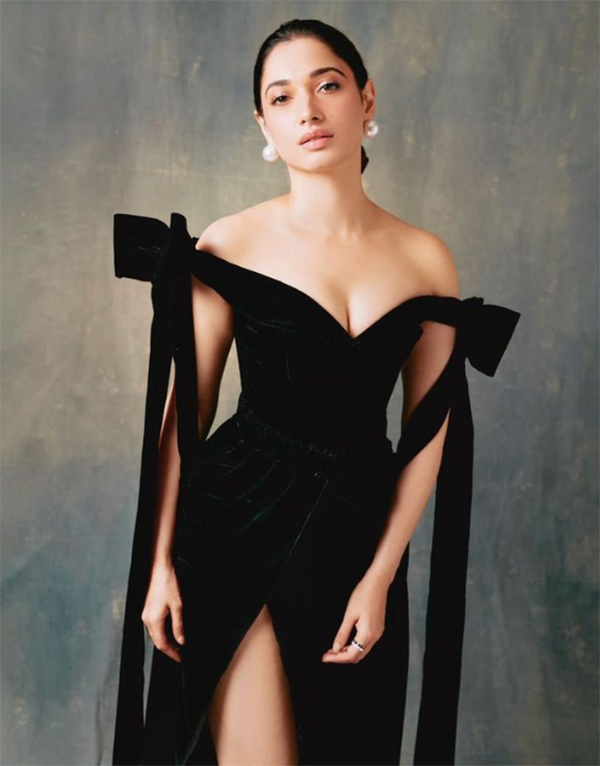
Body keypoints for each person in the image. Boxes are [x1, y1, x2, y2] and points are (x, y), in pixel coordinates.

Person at [110, 18, 521, 766]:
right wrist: (160, 563)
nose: (308, 109)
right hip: (235, 522)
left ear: (366, 100)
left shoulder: (426, 258)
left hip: (356, 538)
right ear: (264, 127)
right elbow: (184, 416)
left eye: (327, 85)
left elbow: (426, 433)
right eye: (282, 97)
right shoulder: (230, 243)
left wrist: (381, 575)